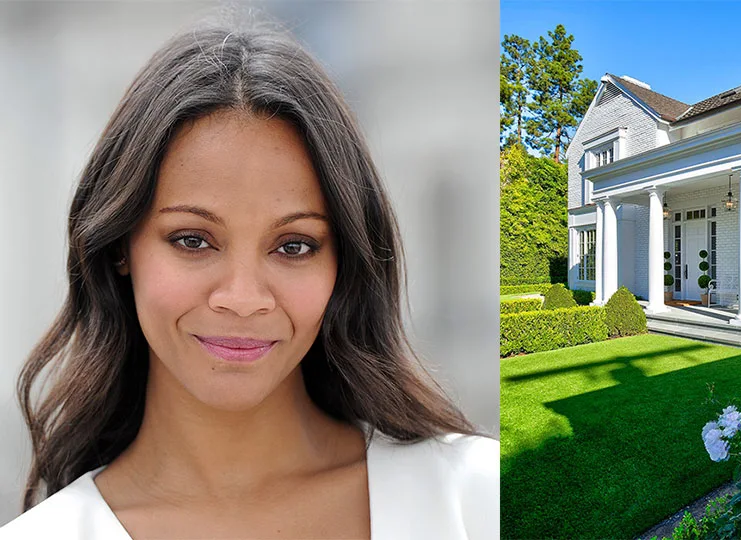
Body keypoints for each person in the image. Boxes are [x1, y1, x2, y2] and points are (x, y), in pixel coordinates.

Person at [0, 16, 498, 540]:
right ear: (121, 246)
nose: (243, 298)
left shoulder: (476, 499)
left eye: (293, 246)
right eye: (192, 240)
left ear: (343, 262)